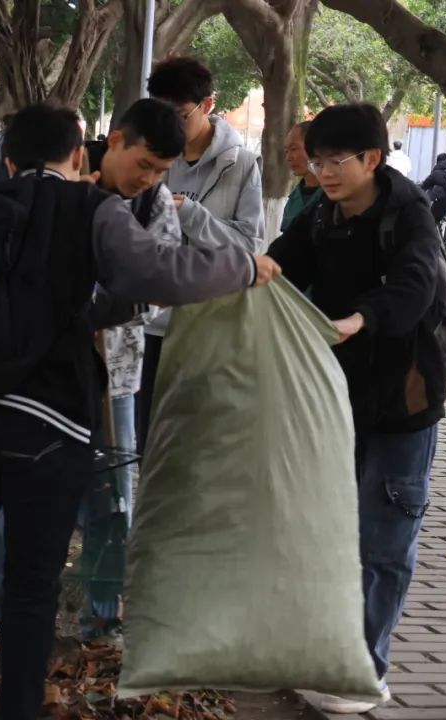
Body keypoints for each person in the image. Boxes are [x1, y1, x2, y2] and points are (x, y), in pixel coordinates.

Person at [0, 103, 281, 720]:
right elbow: (155, 271)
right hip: (47, 427)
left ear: (8, 160)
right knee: (32, 586)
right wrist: (241, 265)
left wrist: (111, 308)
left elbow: (48, 305)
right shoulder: (91, 208)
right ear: (80, 155)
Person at [0, 98, 187, 654]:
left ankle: (103, 621)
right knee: (19, 494)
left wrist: (100, 307)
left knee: (112, 500)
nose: (148, 179)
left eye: (161, 171)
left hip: (115, 378)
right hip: (39, 378)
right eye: (144, 164)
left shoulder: (155, 204)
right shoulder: (57, 179)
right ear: (116, 142)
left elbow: (159, 282)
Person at [268, 103, 446, 714]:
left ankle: (366, 673)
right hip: (337, 400)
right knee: (337, 534)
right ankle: (329, 653)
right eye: (316, 162)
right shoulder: (323, 214)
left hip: (403, 403)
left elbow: (415, 288)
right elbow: (282, 262)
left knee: (384, 542)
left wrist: (361, 319)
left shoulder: (410, 216)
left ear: (371, 159)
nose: (322, 173)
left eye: (334, 161)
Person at [139, 56, 264, 454]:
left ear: (208, 105)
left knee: (198, 447)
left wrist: (190, 214)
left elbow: (247, 247)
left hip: (210, 328)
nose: (169, 126)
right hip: (152, 327)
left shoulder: (241, 165)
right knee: (145, 444)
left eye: (179, 115)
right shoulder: (152, 160)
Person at [282, 120, 322, 232]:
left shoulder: (334, 195)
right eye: (286, 151)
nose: (288, 158)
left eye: (294, 149)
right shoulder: (294, 199)